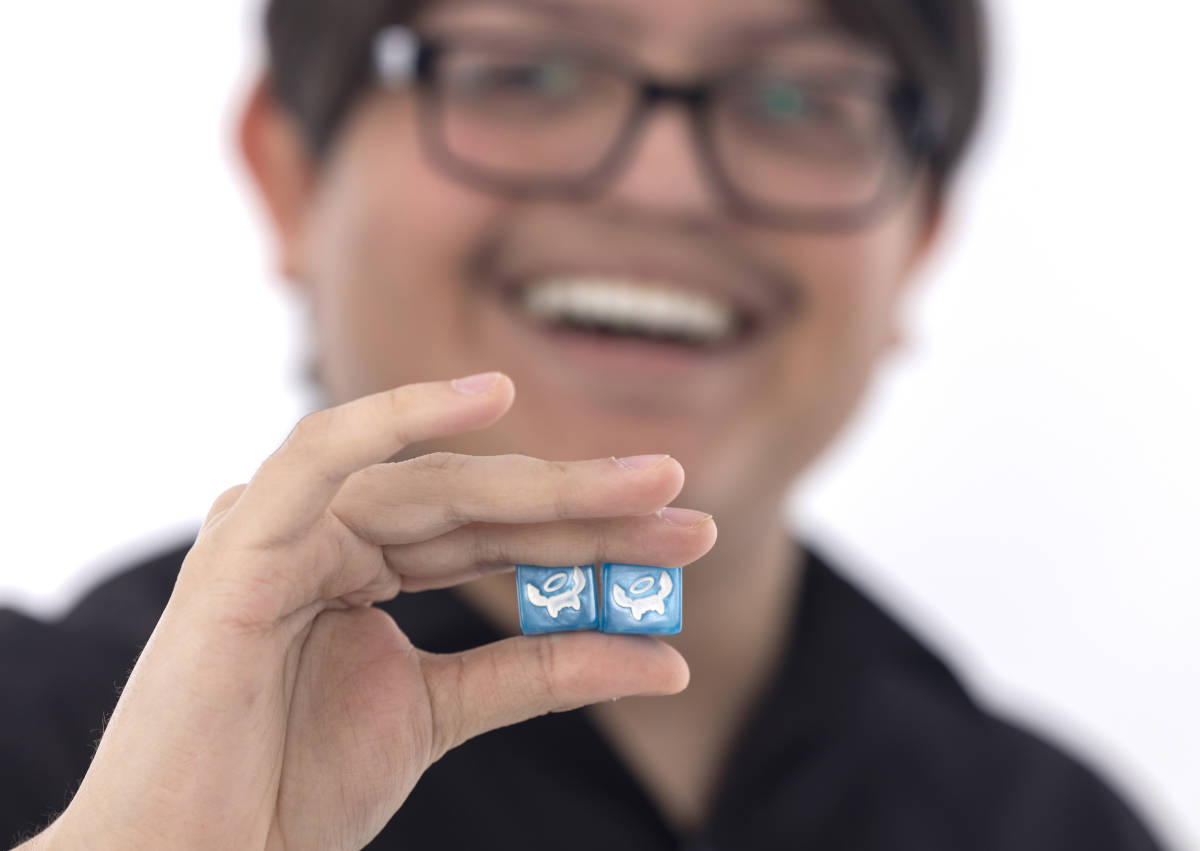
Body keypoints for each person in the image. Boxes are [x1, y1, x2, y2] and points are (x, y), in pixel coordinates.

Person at [0, 0, 1168, 847]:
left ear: (917, 247)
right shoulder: (37, 745)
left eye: (795, 98)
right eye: (529, 73)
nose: (665, 187)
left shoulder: (1061, 823)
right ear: (291, 174)